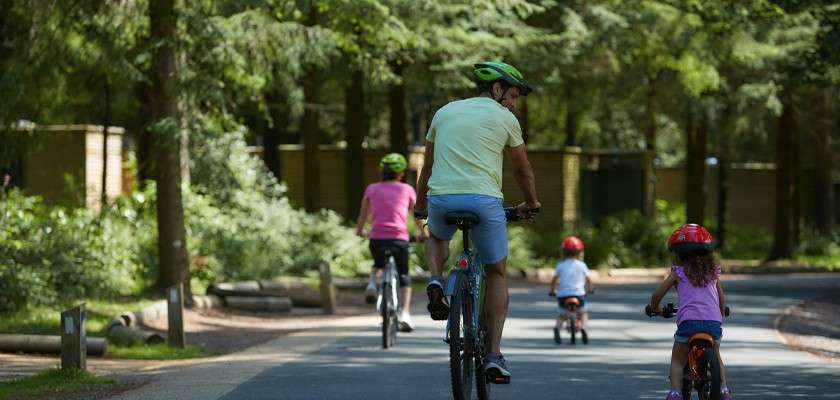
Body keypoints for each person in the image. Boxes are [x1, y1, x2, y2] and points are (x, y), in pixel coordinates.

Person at [414, 61, 540, 383]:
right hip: (484, 203)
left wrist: (420, 207)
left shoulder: (443, 113)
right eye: (512, 95)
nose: (514, 103)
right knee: (497, 272)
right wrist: (532, 202)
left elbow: (426, 168)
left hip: (441, 199)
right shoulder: (506, 119)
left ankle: (436, 279)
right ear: (496, 89)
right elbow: (522, 170)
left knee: (438, 237)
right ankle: (495, 355)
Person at [648, 224, 732, 400]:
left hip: (688, 323)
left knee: (678, 360)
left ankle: (675, 393)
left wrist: (657, 309)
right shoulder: (712, 271)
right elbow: (720, 297)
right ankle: (724, 389)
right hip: (713, 323)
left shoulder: (678, 272)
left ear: (678, 254)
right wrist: (721, 311)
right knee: (716, 355)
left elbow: (657, 295)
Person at [356, 153, 425, 332]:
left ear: (382, 171)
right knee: (403, 275)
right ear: (401, 173)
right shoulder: (407, 190)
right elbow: (417, 215)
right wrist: (423, 233)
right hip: (399, 240)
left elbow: (363, 215)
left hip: (377, 238)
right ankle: (406, 314)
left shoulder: (371, 189)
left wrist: (360, 231)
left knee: (378, 264)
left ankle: (372, 284)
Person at [548, 236, 592, 344]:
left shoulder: (560, 265)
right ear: (580, 252)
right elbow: (589, 279)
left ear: (563, 252)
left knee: (562, 315)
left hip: (563, 296)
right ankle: (583, 327)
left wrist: (552, 290)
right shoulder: (582, 265)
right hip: (579, 295)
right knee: (583, 313)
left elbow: (554, 279)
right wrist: (590, 289)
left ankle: (557, 328)